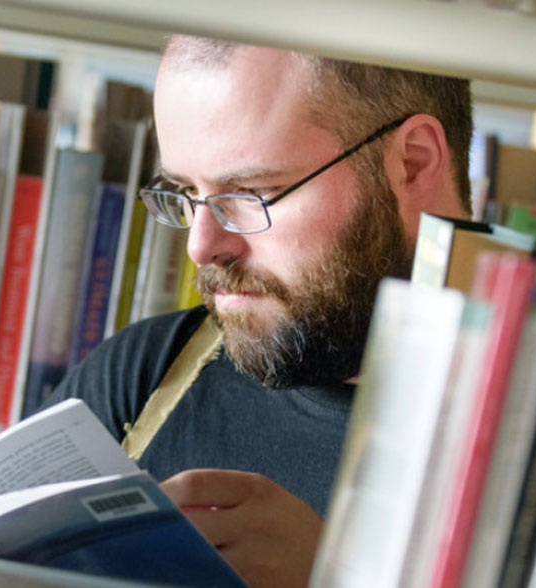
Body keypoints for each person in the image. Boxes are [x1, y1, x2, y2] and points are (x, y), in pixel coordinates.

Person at [44, 35, 473, 588]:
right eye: (185, 191)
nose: (202, 246)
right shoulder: (147, 377)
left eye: (251, 191)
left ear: (413, 163)